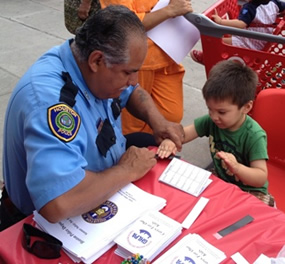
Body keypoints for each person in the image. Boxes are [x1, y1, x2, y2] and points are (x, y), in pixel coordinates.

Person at [0, 5, 185, 231]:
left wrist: (159, 122)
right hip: (50, 223)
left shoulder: (86, 63)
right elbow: (59, 202)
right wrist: (127, 170)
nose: (134, 79)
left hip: (103, 183)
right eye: (128, 72)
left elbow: (133, 92)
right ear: (96, 61)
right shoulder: (51, 103)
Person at [157, 60, 275, 207]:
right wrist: (171, 140)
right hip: (222, 179)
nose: (214, 116)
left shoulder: (254, 135)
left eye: (221, 112)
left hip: (250, 190)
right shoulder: (212, 121)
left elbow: (260, 177)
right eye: (209, 109)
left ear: (246, 107)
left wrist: (237, 167)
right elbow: (185, 134)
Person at [98, 0, 193, 135]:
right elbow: (124, 26)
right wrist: (169, 10)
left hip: (168, 56)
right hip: (135, 65)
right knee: (132, 128)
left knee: (171, 116)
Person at [190, 0, 285, 64]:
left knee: (219, 43)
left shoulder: (250, 8)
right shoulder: (275, 3)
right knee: (231, 38)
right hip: (264, 41)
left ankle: (207, 58)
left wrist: (220, 21)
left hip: (250, 42)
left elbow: (241, 24)